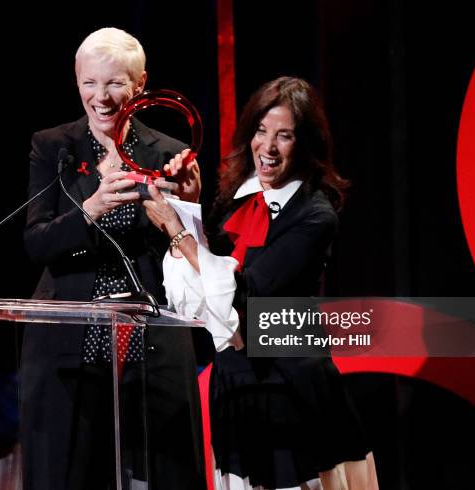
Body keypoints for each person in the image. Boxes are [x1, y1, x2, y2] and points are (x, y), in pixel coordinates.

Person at [143, 77, 378, 489]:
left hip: (291, 388)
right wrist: (190, 207)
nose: (267, 148)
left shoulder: (315, 215)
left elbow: (248, 296)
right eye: (261, 131)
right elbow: (205, 269)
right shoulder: (237, 196)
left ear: (304, 143)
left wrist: (177, 230)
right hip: (235, 383)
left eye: (283, 136)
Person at [21, 27, 205, 490]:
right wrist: (90, 210)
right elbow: (36, 244)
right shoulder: (54, 146)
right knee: (69, 471)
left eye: (114, 83)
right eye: (89, 82)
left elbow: (203, 255)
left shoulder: (168, 154)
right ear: (77, 81)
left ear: (140, 84)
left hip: (152, 340)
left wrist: (190, 206)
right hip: (69, 343)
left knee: (167, 473)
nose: (100, 97)